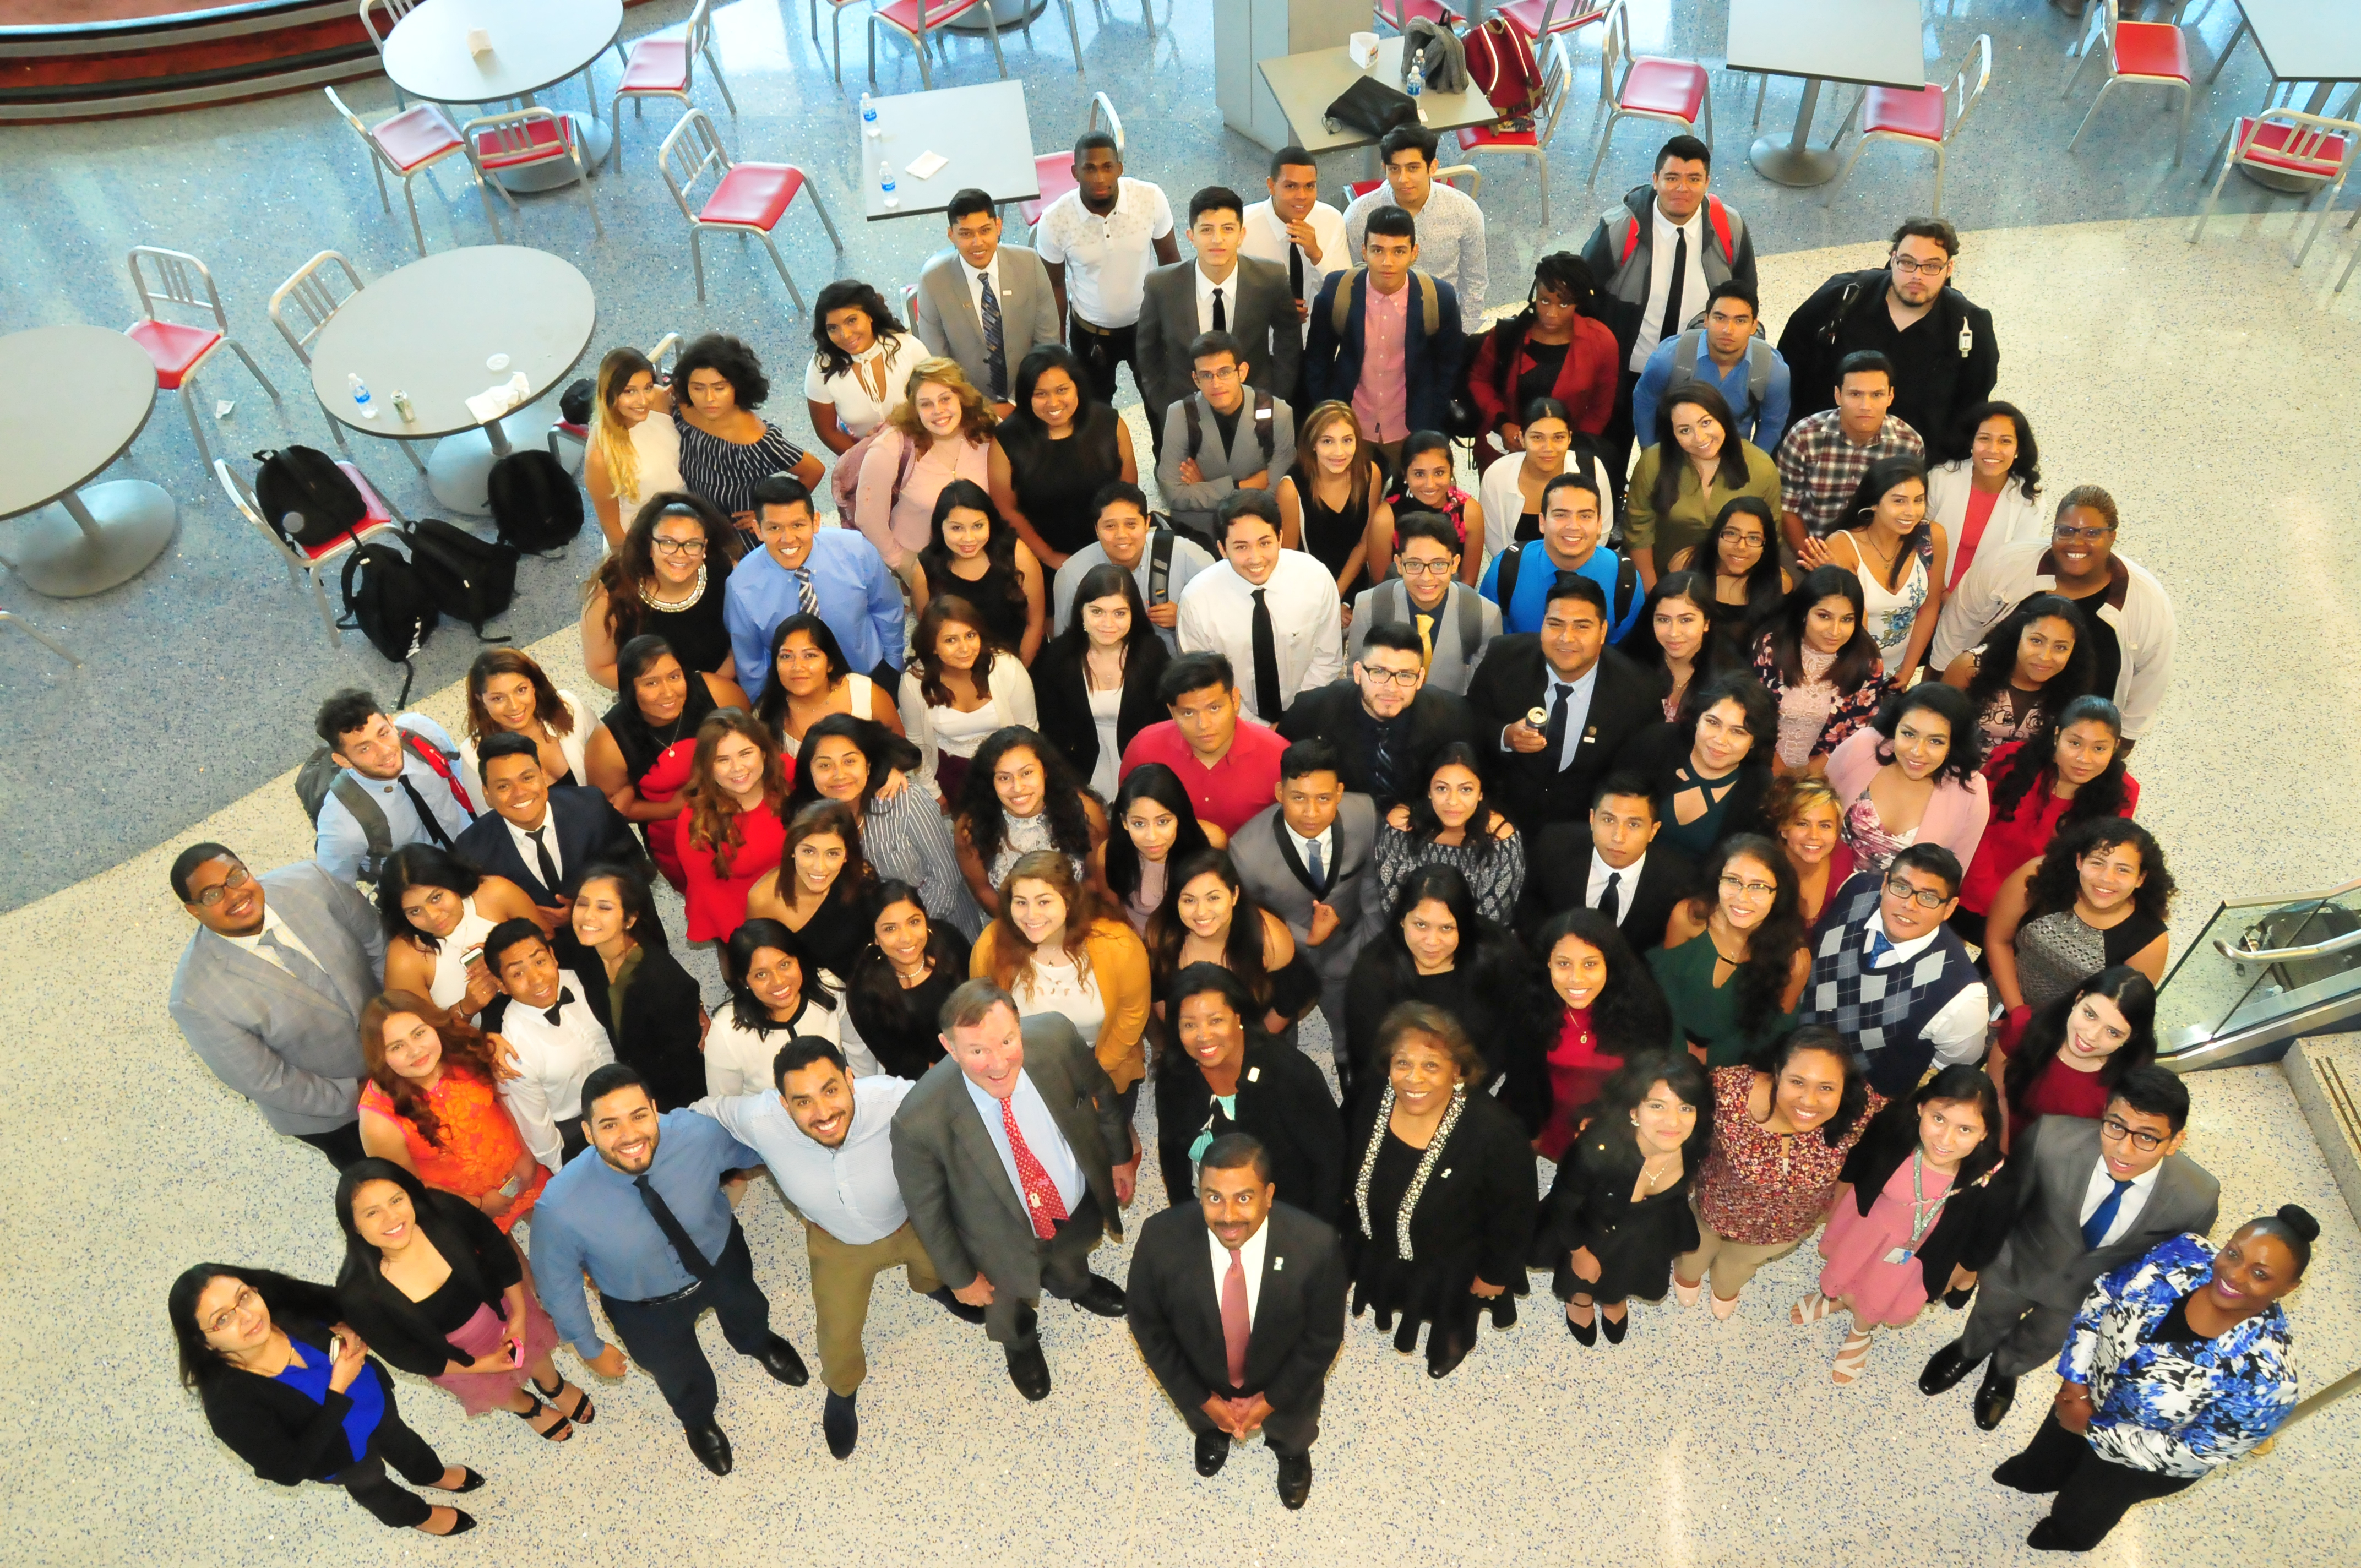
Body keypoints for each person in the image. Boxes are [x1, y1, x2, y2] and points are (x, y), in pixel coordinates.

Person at [695, 1038, 980, 1460]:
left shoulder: (890, 1096)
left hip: (910, 1221)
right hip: (837, 1243)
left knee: (937, 1266)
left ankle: (931, 1286)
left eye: (830, 1090)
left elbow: (958, 1097)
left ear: (851, 1079)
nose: (823, 1112)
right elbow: (703, 1112)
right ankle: (843, 1388)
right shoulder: (759, 1118)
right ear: (783, 1103)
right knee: (838, 1330)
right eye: (803, 1101)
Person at [529, 1064, 810, 1476]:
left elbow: (761, 1146)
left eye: (639, 1116)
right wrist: (589, 1349)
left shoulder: (698, 1135)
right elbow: (559, 1288)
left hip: (720, 1259)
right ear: (588, 1133)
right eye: (609, 1125)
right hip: (642, 1306)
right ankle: (698, 1418)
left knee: (748, 1309)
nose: (629, 1135)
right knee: (677, 1372)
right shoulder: (559, 1207)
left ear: (655, 1110)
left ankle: (757, 1342)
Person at [1920, 1065, 2220, 1433]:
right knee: (1989, 1314)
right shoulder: (2051, 1139)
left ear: (2175, 1141)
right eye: (2115, 1127)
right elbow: (2008, 1206)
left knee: (2041, 1342)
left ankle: (2005, 1370)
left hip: (2083, 1299)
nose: (2124, 1149)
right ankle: (1969, 1350)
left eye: (2146, 1138)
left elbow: (2169, 1268)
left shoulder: (2198, 1198)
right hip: (2018, 1265)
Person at [1994, 1208, 2311, 1551]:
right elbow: (2106, 1295)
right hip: (2086, 1391)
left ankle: (2069, 1535)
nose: (2233, 1274)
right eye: (2233, 1253)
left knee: (2091, 1501)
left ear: (2288, 1288)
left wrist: (2091, 1429)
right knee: (2053, 1444)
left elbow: (2199, 1452)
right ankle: (2037, 1475)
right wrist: (2075, 1378)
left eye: (2260, 1274)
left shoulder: (2268, 1381)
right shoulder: (2182, 1254)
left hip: (2139, 1458)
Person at [890, 981, 1136, 1398]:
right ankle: (1020, 1343)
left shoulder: (1056, 1037)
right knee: (1007, 1305)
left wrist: (1118, 1157)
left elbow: (1102, 1093)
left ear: (1020, 1026)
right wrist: (961, 1277)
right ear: (949, 1048)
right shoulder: (917, 1121)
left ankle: (1074, 1285)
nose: (999, 1063)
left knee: (1072, 1255)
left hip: (1069, 1204)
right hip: (997, 1242)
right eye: (977, 1051)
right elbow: (927, 1214)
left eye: (1007, 1041)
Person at [171, 1264, 480, 1536]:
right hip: (338, 1455)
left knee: (403, 1441)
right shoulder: (228, 1405)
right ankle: (419, 1516)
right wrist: (338, 1388)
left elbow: (342, 1302)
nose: (248, 1316)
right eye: (223, 1319)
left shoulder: (279, 1306)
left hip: (374, 1400)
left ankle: (431, 1474)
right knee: (373, 1485)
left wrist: (349, 1325)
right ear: (204, 1343)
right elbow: (289, 1470)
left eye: (244, 1296)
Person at [1125, 1130, 1346, 1508]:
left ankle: (1290, 1451)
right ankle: (1213, 1433)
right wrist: (1202, 1400)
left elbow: (1323, 1338)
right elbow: (1149, 1328)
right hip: (1201, 1379)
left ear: (1270, 1195)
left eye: (1244, 1198)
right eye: (1214, 1198)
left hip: (1286, 1382)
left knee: (1293, 1428)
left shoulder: (1316, 1246)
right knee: (1205, 1419)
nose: (1228, 1216)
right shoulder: (1160, 1239)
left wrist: (1270, 1401)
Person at [1343, 1003, 1537, 1378]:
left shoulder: (1495, 1133)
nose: (1413, 1079)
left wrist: (1496, 1274)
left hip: (1452, 1261)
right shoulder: (1370, 1097)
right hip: (1380, 1240)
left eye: (1431, 1065)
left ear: (1458, 1071)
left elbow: (1515, 1214)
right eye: (1402, 1064)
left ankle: (1452, 1340)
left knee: (1451, 1311)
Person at [168, 844, 384, 1166]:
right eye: (212, 895)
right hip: (338, 1118)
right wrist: (361, 1094)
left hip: (405, 1057)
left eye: (236, 876)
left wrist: (405, 1025)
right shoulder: (196, 999)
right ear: (194, 910)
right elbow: (269, 1081)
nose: (235, 895)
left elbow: (378, 944)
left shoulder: (312, 883)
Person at [332, 1159, 580, 1439]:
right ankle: (527, 1407)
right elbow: (406, 1356)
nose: (392, 1218)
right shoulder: (357, 1294)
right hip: (455, 1358)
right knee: (492, 1388)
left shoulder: (444, 1210)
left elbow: (497, 1250)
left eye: (396, 1200)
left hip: (505, 1310)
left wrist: (520, 1316)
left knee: (535, 1351)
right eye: (372, 1213)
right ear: (353, 1226)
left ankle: (553, 1384)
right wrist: (481, 1366)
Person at [1801, 1065, 2013, 1383]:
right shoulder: (1894, 1125)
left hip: (1918, 1256)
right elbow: (1857, 1163)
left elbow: (1984, 1242)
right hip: (1867, 1226)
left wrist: (1958, 1277)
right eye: (1938, 1119)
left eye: (1966, 1129)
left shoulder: (1994, 1177)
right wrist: (1833, 1209)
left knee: (1880, 1294)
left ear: (1985, 1133)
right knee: (1846, 1267)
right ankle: (1836, 1296)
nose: (1946, 1139)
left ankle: (1861, 1331)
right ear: (1920, 1108)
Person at [1930, 486, 2177, 745]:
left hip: (2072, 746)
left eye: (2092, 533)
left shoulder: (2148, 601)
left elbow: (2151, 678)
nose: (2076, 543)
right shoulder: (2006, 564)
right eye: (2065, 531)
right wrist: (1933, 694)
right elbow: (1956, 627)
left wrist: (2118, 746)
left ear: (2112, 536)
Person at [1579, 134, 1758, 479]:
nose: (1682, 189)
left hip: (1695, 372)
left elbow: (1746, 294)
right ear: (1656, 179)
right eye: (1672, 178)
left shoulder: (1728, 226)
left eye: (1694, 179)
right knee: (1608, 457)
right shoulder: (1620, 227)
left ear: (1707, 182)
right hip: (1626, 369)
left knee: (1681, 464)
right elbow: (1585, 296)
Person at [1672, 1026, 1884, 1317]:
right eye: (1797, 1082)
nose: (1809, 1101)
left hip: (1786, 1226)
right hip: (1716, 1209)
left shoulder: (1859, 1109)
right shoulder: (1728, 1093)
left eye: (1826, 1088)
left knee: (1739, 1264)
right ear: (1776, 1072)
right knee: (1694, 1252)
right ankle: (1688, 1275)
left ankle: (1725, 1287)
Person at [1775, 217, 1999, 452]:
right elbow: (1788, 369)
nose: (1918, 276)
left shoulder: (1971, 326)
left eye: (1932, 266)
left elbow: (1972, 409)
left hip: (1911, 467)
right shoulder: (1841, 298)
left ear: (1949, 269)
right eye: (1907, 262)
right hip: (1825, 453)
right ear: (1893, 258)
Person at [1465, 573, 1662, 832]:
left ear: (1603, 631)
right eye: (1555, 624)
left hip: (1583, 835)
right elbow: (1469, 722)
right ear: (1542, 624)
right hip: (1498, 823)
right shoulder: (1504, 659)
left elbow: (1642, 776)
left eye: (1582, 626)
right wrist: (1505, 736)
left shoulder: (1638, 691)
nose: (1566, 638)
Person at [1344, 865, 1539, 1126]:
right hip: (1401, 1100)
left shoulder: (1499, 955)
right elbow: (1371, 1068)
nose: (1432, 941)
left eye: (1447, 928)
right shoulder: (1372, 972)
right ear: (1402, 920)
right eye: (1421, 925)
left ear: (1466, 926)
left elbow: (1518, 1041)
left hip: (1474, 1093)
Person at [972, 850, 1154, 1119]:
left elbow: (1132, 1014)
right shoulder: (991, 945)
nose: (1031, 915)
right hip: (1027, 1068)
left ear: (1068, 902)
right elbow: (982, 1012)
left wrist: (1093, 1075)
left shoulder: (1119, 945)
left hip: (1104, 1062)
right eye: (1021, 902)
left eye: (1044, 902)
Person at [1541, 1050, 1710, 1341]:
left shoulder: (1694, 1140)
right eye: (1658, 1106)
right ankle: (1579, 1299)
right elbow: (1561, 1207)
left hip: (1646, 1226)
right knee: (1583, 1275)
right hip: (1592, 1226)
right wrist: (1580, 1254)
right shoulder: (1597, 1149)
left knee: (1627, 1269)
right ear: (1634, 1111)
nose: (1674, 1123)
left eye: (1685, 1108)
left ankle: (1613, 1298)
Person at [1155, 965, 1344, 1219]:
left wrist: (1315, 1240)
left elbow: (1331, 1164)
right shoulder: (1175, 1075)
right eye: (1189, 1025)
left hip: (1288, 1222)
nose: (1204, 1036)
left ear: (1239, 1017)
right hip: (1214, 1220)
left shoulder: (1288, 1072)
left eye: (1216, 1021)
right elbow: (1174, 1160)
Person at [1228, 737, 1380, 1049]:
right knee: (1281, 1045)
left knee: (1357, 1037)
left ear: (1340, 792)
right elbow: (1248, 915)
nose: (1311, 812)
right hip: (1285, 963)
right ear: (1279, 793)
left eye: (1324, 798)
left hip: (1352, 950)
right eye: (1298, 798)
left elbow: (1373, 884)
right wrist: (1304, 938)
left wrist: (1369, 948)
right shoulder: (1246, 851)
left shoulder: (1365, 814)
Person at [1798, 847, 1987, 1097]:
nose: (1909, 905)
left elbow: (1953, 1064)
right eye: (1901, 887)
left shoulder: (1962, 994)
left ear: (1950, 908)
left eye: (1929, 898)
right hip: (1787, 1054)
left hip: (1854, 1103)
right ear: (1885, 883)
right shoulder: (1856, 889)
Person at [357, 993, 546, 1228]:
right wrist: (478, 1206)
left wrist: (527, 1156)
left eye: (419, 1033)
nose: (415, 1050)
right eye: (397, 1046)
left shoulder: (460, 1048)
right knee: (512, 1266)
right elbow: (408, 1185)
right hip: (462, 1207)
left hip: (522, 1169)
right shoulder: (378, 1121)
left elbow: (503, 1101)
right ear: (380, 1057)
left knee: (568, 1244)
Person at [1959, 695, 2139, 941]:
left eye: (2099, 748)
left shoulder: (2123, 793)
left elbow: (2089, 865)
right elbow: (1973, 829)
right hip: (1969, 885)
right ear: (2057, 736)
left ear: (2115, 748)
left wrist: (2026, 912)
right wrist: (1997, 901)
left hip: (2035, 912)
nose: (2084, 759)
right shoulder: (2011, 760)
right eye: (2075, 743)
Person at [1136, 186, 1302, 454]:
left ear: (1241, 234)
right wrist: (1165, 403)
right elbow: (1147, 351)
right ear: (1191, 236)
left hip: (1254, 403)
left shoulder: (1270, 278)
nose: (1217, 240)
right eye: (1206, 230)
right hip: (1186, 407)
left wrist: (1276, 394)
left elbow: (1288, 336)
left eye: (1227, 229)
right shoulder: (1162, 285)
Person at [788, 715, 983, 939]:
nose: (838, 774)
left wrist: (902, 934)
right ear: (809, 771)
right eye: (824, 765)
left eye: (850, 761)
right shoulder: (808, 822)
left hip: (943, 931)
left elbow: (945, 878)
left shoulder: (906, 800)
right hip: (874, 944)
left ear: (868, 765)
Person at [1304, 205, 1468, 462]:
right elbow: (1317, 358)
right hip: (1350, 425)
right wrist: (1328, 414)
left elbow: (1449, 366)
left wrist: (1432, 420)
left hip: (1410, 426)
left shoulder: (1439, 298)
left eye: (1399, 251)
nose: (1387, 262)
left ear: (1414, 252)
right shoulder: (1338, 291)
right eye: (1378, 250)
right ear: (1364, 251)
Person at [584, 635, 749, 891]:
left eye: (674, 677)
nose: (668, 693)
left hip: (745, 816)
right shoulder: (608, 743)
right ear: (630, 687)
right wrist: (672, 809)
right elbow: (612, 808)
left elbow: (757, 746)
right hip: (673, 841)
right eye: (651, 683)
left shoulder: (718, 692)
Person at [1035, 132, 1181, 402]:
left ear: (1120, 169)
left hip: (1147, 326)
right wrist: (1057, 351)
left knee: (1161, 407)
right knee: (1095, 416)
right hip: (1090, 334)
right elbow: (1054, 287)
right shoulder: (1055, 221)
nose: (1100, 178)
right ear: (1075, 172)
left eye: (1107, 167)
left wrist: (1175, 325)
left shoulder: (1150, 199)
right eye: (1089, 168)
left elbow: (1171, 261)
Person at [1174, 492, 1345, 723]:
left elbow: (1327, 658)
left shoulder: (1315, 578)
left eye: (1265, 543)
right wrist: (1258, 729)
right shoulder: (1197, 600)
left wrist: (1295, 720)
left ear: (1280, 538)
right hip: (1232, 723)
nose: (1256, 559)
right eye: (1241, 547)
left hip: (1309, 713)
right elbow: (1204, 682)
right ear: (1222, 549)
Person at [1987, 818, 2173, 1029]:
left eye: (2123, 870)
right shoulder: (2038, 877)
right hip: (1999, 997)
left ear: (2141, 878)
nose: (2107, 878)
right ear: (2079, 861)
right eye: (2097, 863)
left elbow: (2117, 1013)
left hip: (2071, 1033)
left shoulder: (2149, 941)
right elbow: (1998, 941)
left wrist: (2038, 1029)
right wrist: (2017, 1013)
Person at [725, 474, 905, 690]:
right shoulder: (741, 587)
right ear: (757, 530)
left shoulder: (856, 551)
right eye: (774, 528)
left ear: (816, 522)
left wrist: (893, 667)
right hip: (796, 691)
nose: (788, 538)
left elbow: (886, 609)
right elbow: (751, 661)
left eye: (798, 525)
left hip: (868, 674)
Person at [1280, 622, 1478, 810]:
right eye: (1379, 672)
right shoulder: (1313, 711)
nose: (1391, 688)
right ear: (1358, 673)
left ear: (1420, 679)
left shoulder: (1452, 718)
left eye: (1406, 675)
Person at [1652, 834, 1809, 1069]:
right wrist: (1679, 1050)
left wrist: (1711, 1057)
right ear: (1718, 880)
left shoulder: (1795, 960)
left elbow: (1772, 1027)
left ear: (1778, 892)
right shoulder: (1689, 918)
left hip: (1737, 1062)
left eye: (1759, 887)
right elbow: (1665, 989)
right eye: (1733, 881)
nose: (1742, 898)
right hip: (1668, 1041)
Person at [1528, 909, 1676, 1159]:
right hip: (1548, 1119)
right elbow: (1524, 1079)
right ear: (1547, 963)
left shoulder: (1643, 1010)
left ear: (1610, 962)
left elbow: (1648, 1080)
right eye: (1564, 964)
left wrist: (1611, 1120)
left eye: (1590, 964)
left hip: (1617, 1121)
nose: (1577, 978)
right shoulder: (1530, 1005)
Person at [455, 733, 646, 918]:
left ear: (544, 777)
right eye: (503, 786)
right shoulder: (472, 850)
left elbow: (634, 864)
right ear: (487, 794)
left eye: (527, 778)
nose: (520, 793)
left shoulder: (591, 807)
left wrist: (585, 907)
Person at [569, 862, 708, 1111]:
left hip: (672, 1103)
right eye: (582, 903)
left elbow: (684, 1068)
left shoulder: (662, 980)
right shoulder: (586, 953)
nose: (588, 915)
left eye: (604, 907)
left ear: (630, 919)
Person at [1145, 848, 1319, 1044]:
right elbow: (1161, 1000)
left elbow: (1286, 1005)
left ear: (1234, 895)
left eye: (1213, 898)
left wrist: (1244, 1049)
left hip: (1260, 1031)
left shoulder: (1270, 940)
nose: (1201, 912)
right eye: (1189, 900)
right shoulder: (1161, 936)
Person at [479, 918, 614, 1170]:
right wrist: (567, 1177)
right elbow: (539, 1132)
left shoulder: (580, 978)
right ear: (501, 985)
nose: (537, 979)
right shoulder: (511, 1052)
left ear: (553, 957)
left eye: (540, 962)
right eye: (518, 973)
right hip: (581, 1136)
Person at [990, 343, 1138, 569]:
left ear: (1077, 387)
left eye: (1062, 390)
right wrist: (1050, 558)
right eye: (1041, 394)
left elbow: (1128, 491)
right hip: (1041, 558)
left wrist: (1115, 547)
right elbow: (1008, 510)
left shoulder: (1110, 423)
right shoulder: (1006, 441)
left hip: (1110, 549)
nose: (1054, 403)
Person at [1465, 252, 1619, 467]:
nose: (1551, 313)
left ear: (1579, 302)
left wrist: (1569, 449)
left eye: (1564, 304)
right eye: (1544, 301)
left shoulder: (1602, 342)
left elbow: (1600, 409)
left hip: (1566, 457)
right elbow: (1479, 380)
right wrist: (1503, 424)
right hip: (1503, 454)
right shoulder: (1509, 334)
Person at [913, 188, 1063, 409]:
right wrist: (980, 409)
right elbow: (937, 364)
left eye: (985, 231)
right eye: (965, 234)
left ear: (999, 226)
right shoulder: (933, 281)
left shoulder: (1029, 263)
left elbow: (1047, 342)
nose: (978, 243)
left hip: (1029, 396)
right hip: (965, 405)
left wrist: (1015, 402)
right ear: (951, 235)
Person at [1626, 383, 1782, 592]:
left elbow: (1771, 539)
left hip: (1737, 586)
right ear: (1672, 434)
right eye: (1685, 430)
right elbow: (1638, 533)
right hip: (1665, 581)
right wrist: (1652, 594)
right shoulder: (1652, 463)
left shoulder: (1761, 467)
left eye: (1706, 423)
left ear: (1723, 418)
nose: (1699, 438)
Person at [309, 689, 477, 885]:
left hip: (474, 844)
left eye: (383, 734)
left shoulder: (421, 732)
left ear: (391, 722)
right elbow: (339, 891)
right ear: (343, 761)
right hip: (423, 888)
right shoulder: (342, 823)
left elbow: (463, 780)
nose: (385, 751)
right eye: (365, 748)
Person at [1034, 562, 1171, 799]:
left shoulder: (1153, 654)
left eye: (1119, 613)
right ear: (1081, 612)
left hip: (1144, 769)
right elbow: (1050, 733)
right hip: (1078, 771)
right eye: (1097, 611)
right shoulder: (1058, 655)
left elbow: (1166, 727)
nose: (1108, 624)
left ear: (1133, 614)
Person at [853, 357, 997, 580]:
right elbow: (868, 518)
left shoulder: (988, 431)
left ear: (962, 397)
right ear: (914, 408)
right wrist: (903, 563)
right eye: (926, 404)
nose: (938, 411)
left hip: (984, 559)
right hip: (923, 566)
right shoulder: (892, 447)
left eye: (945, 399)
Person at [1773, 351, 1927, 558]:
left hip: (1877, 554)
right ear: (1838, 395)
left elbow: (1907, 512)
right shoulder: (1805, 436)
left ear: (1891, 396)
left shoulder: (1908, 444)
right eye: (1855, 394)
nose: (1866, 406)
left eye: (1877, 395)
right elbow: (1787, 509)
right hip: (1806, 547)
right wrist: (1815, 562)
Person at [671, 332, 824, 540]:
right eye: (698, 388)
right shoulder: (682, 409)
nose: (709, 398)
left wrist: (772, 512)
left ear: (738, 386)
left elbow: (814, 470)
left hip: (740, 535)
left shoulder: (757, 440)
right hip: (698, 520)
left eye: (720, 388)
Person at [1825, 682, 1990, 875]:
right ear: (1895, 728)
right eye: (1909, 734)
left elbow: (1950, 877)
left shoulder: (1972, 791)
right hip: (1821, 883)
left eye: (1936, 741)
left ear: (1953, 745)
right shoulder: (1862, 747)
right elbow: (1811, 808)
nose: (1917, 751)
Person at [1118, 651, 1290, 836]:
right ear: (1171, 711)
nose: (1204, 725)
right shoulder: (1144, 750)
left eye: (1214, 708)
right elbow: (1126, 821)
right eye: (1188, 713)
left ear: (1235, 699)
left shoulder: (1278, 757)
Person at [580, 492, 740, 690]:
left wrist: (706, 692)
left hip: (719, 685)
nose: (680, 554)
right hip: (651, 697)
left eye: (692, 544)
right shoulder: (611, 595)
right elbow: (600, 667)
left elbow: (742, 643)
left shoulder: (727, 573)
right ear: (649, 545)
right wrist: (667, 695)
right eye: (668, 543)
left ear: (704, 547)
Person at [1804, 456, 1946, 679]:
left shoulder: (1932, 537)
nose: (1911, 512)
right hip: (1851, 665)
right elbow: (1851, 620)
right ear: (1874, 503)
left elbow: (1930, 606)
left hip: (1900, 667)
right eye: (1899, 501)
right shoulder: (1842, 546)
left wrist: (1908, 669)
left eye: (1918, 500)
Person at [1531, 774, 1697, 956]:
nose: (1618, 837)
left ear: (1653, 831)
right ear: (1592, 819)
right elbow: (1530, 909)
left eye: (1633, 824)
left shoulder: (1679, 879)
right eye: (1609, 820)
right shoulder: (1553, 847)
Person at [373, 846, 540, 1025]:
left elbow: (551, 941)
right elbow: (416, 1034)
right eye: (415, 911)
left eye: (436, 898)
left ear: (451, 881)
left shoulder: (496, 893)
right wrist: (465, 1009)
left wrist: (506, 951)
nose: (433, 916)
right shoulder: (404, 958)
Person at [897, 594, 1038, 804]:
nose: (964, 648)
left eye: (970, 635)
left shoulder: (1007, 667)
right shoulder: (914, 681)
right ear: (933, 646)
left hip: (1009, 770)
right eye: (951, 640)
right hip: (951, 773)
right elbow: (917, 743)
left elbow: (1028, 731)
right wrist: (933, 791)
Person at [953, 726, 1109, 914]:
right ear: (990, 782)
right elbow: (983, 891)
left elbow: (1098, 878)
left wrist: (1062, 920)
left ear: (1045, 771)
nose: (1017, 787)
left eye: (1027, 773)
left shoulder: (1084, 811)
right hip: (1010, 924)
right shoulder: (970, 827)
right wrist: (1024, 926)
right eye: (1004, 778)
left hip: (1078, 914)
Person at [1620, 671, 1777, 859]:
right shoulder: (1656, 744)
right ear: (1697, 720)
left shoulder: (1760, 788)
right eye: (1713, 723)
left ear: (1754, 741)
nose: (1721, 739)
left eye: (1738, 732)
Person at [804, 280, 931, 511]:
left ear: (870, 316)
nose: (845, 335)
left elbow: (935, 402)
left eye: (852, 321)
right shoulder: (820, 368)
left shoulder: (909, 348)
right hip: (867, 459)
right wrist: (870, 458)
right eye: (833, 328)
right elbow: (827, 431)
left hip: (926, 449)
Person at [1995, 967, 2158, 1145]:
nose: (2092, 1035)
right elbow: (1995, 1094)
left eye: (2113, 1032)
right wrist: (2001, 1154)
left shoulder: (2127, 1086)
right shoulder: (2024, 1027)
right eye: (2090, 1015)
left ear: (2130, 1038)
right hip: (1995, 1134)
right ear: (2078, 999)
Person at [1341, 123, 1488, 319]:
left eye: (1413, 168)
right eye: (1395, 169)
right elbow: (1352, 278)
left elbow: (1475, 281)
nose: (1403, 179)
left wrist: (1462, 335)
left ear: (1433, 167)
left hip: (1438, 316)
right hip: (1379, 316)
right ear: (1384, 168)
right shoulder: (1360, 214)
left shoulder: (1464, 212)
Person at [1753, 565, 1887, 775]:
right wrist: (1779, 775)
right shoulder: (1771, 647)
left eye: (1847, 619)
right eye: (1824, 616)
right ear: (1804, 612)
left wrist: (1805, 780)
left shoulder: (1867, 662)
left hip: (1827, 773)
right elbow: (1754, 714)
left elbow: (1857, 733)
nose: (1835, 631)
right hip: (1761, 763)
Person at [1345, 514, 1500, 697]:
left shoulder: (1484, 615)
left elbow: (1482, 693)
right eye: (1414, 564)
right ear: (1399, 564)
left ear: (1455, 564)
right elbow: (1356, 680)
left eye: (1438, 564)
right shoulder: (1370, 606)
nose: (1426, 577)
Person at [672, 709, 788, 950]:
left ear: (764, 754)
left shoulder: (787, 777)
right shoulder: (695, 822)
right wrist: (754, 946)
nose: (737, 767)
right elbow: (710, 897)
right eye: (722, 759)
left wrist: (888, 770)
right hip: (746, 926)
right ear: (707, 767)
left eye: (746, 754)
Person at [1478, 470, 1642, 642]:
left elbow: (1625, 656)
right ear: (1542, 522)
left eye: (1585, 516)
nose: (1573, 526)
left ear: (1600, 524)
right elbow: (1489, 643)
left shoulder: (1625, 580)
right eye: (1561, 515)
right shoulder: (1507, 568)